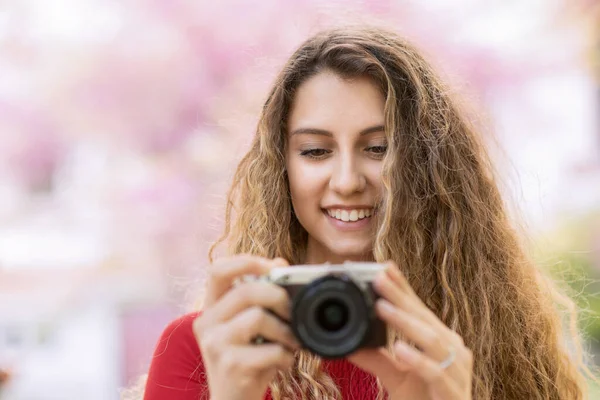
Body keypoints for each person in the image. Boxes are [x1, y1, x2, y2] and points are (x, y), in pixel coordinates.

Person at [126, 26, 598, 400]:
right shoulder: (205, 349)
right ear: (282, 168)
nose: (349, 180)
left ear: (428, 167)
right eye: (315, 151)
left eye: (378, 148)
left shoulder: (482, 343)